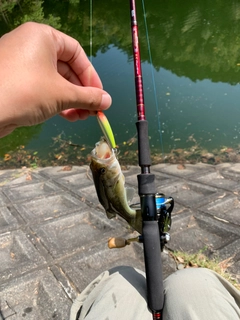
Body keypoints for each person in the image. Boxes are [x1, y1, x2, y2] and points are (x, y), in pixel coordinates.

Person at [0, 23, 240, 320]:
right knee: (194, 283)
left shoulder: (107, 168)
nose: (100, 158)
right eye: (99, 162)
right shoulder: (108, 168)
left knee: (119, 278)